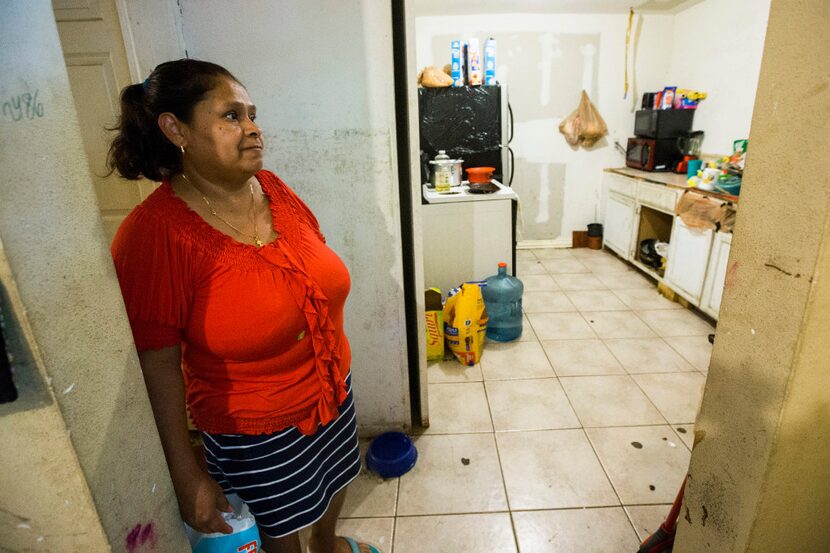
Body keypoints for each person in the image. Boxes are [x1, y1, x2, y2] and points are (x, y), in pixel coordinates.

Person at [108, 59, 378, 553]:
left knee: (336, 480)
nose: (253, 129)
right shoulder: (153, 235)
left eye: (252, 114)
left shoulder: (272, 189)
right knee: (280, 530)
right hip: (259, 431)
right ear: (176, 129)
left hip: (332, 389)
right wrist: (186, 471)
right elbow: (156, 361)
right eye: (231, 116)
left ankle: (327, 544)